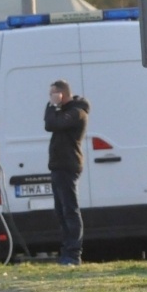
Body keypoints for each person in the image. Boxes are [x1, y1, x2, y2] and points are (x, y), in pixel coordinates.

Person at [44, 79, 90, 266]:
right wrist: (53, 107)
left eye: (53, 94)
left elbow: (54, 124)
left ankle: (73, 253)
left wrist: (52, 106)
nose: (51, 98)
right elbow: (50, 124)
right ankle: (66, 251)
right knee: (61, 210)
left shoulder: (77, 112)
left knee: (70, 209)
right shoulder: (62, 111)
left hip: (68, 164)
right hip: (57, 165)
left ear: (62, 93)